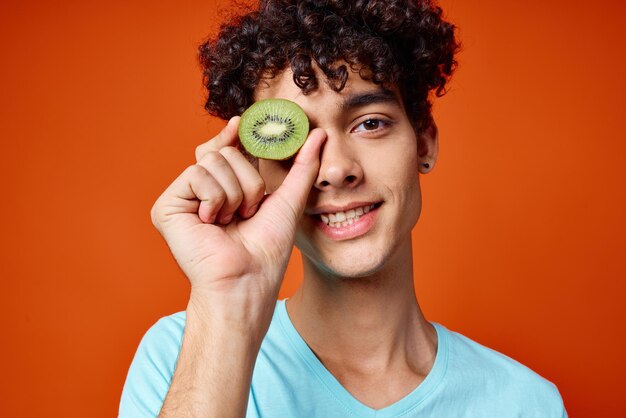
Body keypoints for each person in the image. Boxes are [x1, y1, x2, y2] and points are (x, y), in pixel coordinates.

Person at [119, 0, 567, 416]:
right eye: (291, 136)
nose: (333, 169)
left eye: (370, 123)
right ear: (255, 162)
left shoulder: (524, 402)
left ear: (424, 142)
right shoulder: (182, 355)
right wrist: (226, 307)